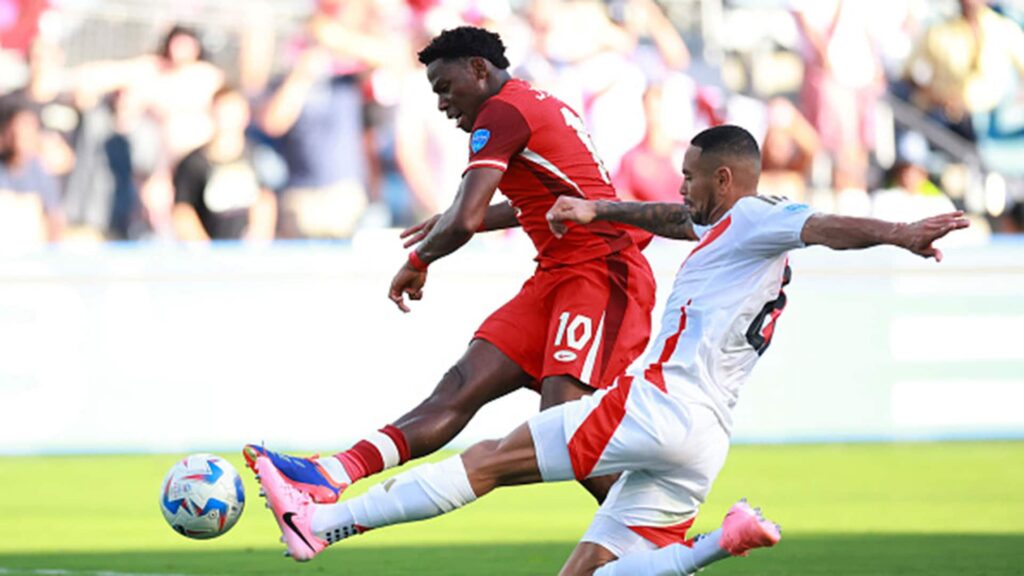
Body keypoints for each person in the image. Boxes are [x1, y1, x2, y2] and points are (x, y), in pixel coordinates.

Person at [249, 125, 969, 573]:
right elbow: (670, 218)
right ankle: (721, 542)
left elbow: (823, 225)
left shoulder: (756, 214)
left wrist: (900, 233)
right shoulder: (730, 234)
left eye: (691, 175)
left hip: (657, 405)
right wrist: (600, 208)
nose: (681, 186)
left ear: (724, 178)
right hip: (705, 437)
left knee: (491, 460)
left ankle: (321, 523)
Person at [244, 26, 656, 505]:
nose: (442, 103)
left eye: (444, 86)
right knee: (461, 386)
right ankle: (333, 473)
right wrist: (460, 220)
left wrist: (419, 260)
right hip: (558, 275)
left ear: (479, 69)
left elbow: (466, 218)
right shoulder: (530, 102)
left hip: (601, 273)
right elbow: (540, 201)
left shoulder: (499, 112)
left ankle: (658, 536)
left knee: (563, 426)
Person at [171, 86, 277, 241]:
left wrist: (258, 238)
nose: (226, 119)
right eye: (221, 113)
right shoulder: (193, 163)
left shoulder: (258, 157)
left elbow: (265, 200)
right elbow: (183, 210)